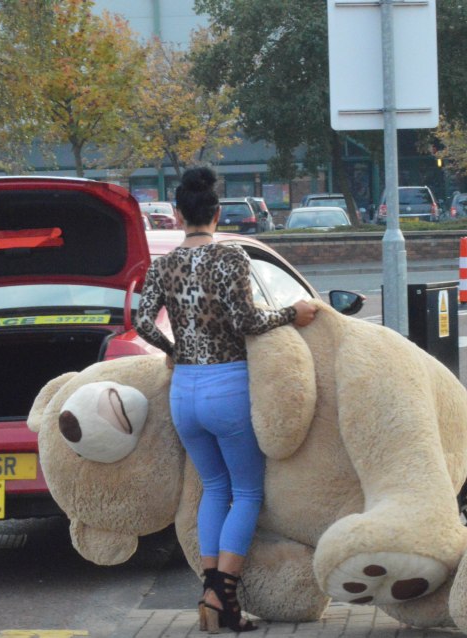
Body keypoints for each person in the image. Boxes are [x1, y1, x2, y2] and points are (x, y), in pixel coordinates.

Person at [135, 167, 317, 633]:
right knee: (248, 492)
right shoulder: (231, 258)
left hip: (184, 392)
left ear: (178, 215)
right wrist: (291, 314)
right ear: (217, 213)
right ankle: (223, 595)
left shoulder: (163, 265)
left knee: (214, 489)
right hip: (228, 387)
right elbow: (247, 322)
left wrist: (175, 351)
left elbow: (142, 323)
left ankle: (209, 594)